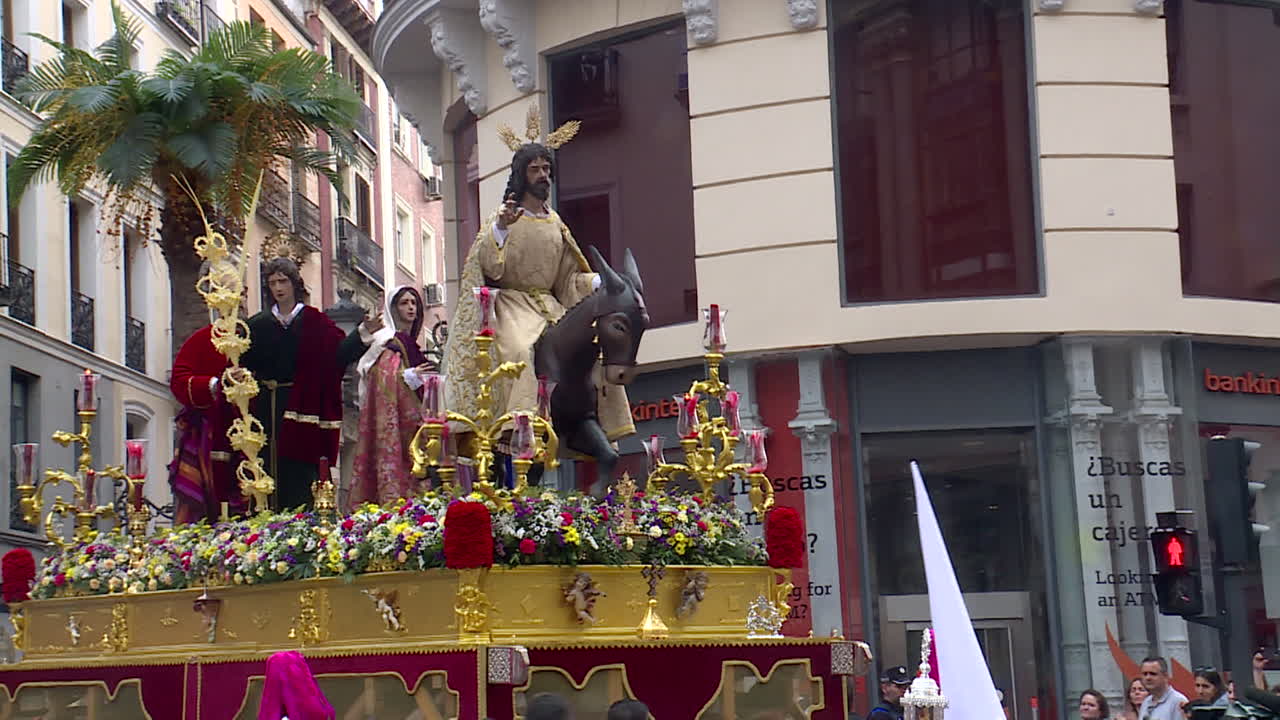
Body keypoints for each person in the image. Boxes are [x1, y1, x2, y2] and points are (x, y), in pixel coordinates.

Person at [442, 139, 634, 465]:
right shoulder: (503, 218)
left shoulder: (555, 222)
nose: (543, 175)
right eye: (535, 169)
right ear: (521, 175)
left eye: (546, 168)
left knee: (593, 347)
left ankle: (595, 419)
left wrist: (598, 282)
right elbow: (488, 265)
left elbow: (568, 279)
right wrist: (501, 231)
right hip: (513, 306)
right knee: (519, 350)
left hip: (550, 307)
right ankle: (518, 426)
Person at [239, 257, 377, 510]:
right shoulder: (257, 325)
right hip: (265, 411)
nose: (278, 288)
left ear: (294, 284)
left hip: (303, 410)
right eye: (272, 283)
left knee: (299, 472)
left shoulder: (315, 322)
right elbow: (241, 362)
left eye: (283, 281)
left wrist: (362, 335)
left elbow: (336, 357)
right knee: (265, 469)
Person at [350, 285, 435, 507]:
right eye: (404, 303)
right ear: (393, 308)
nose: (410, 308)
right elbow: (380, 377)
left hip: (416, 425)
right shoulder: (387, 343)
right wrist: (407, 376)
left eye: (414, 303)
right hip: (395, 424)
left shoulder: (411, 346)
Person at [169, 323, 246, 523]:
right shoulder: (202, 338)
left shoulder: (253, 338)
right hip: (207, 434)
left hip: (248, 436)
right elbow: (179, 379)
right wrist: (213, 384)